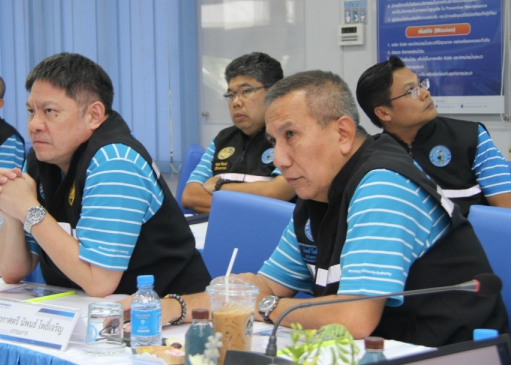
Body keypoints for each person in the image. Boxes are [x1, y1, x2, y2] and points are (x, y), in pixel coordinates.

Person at [151, 70, 507, 347]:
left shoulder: (383, 185)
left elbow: (354, 317)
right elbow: (267, 284)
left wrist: (264, 307)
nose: (279, 159)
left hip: (447, 352)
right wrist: (175, 306)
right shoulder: (318, 192)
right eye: (274, 141)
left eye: (291, 135)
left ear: (343, 133)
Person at [0, 53, 210, 297]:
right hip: (84, 309)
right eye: (30, 111)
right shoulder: (41, 158)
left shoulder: (115, 161)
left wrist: (29, 210)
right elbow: (12, 271)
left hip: (164, 311)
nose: (34, 124)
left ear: (94, 115)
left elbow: (99, 282)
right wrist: (12, 211)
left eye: (49, 111)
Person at [356, 56, 511, 216]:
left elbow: (506, 211)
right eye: (411, 91)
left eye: (420, 84)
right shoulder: (373, 156)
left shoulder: (471, 136)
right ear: (383, 113)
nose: (425, 93)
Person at [181, 52, 294, 213]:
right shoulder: (221, 140)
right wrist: (251, 203)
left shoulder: (290, 137)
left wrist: (220, 186)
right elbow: (190, 196)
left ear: (274, 93)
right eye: (231, 95)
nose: (235, 102)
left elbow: (276, 192)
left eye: (245, 91)